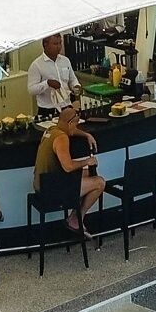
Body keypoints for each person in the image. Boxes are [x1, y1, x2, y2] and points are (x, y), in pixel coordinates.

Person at [36, 104, 107, 234]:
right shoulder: (62, 138)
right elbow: (68, 167)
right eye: (75, 124)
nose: (76, 127)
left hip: (41, 183)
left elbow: (72, 131)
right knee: (99, 182)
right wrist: (87, 161)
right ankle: (76, 218)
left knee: (86, 174)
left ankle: (74, 216)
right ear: (70, 123)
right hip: (51, 190)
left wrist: (86, 135)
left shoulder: (51, 130)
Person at [27, 34, 79, 113]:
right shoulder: (36, 65)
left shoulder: (65, 60)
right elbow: (31, 90)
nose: (59, 47)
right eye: (55, 44)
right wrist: (47, 83)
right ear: (45, 45)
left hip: (67, 106)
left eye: (60, 43)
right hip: (48, 109)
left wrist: (76, 86)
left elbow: (72, 79)